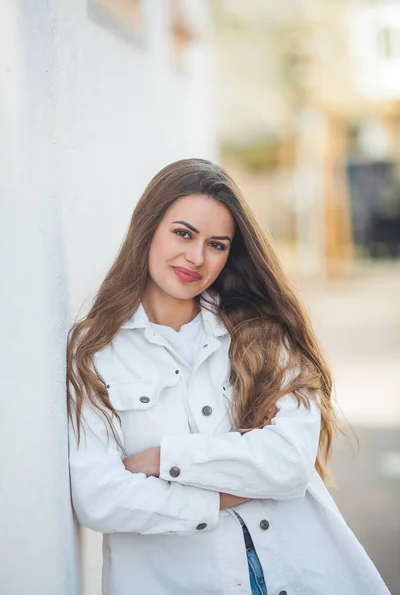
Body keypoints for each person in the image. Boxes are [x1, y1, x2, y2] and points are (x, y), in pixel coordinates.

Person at [67, 158, 391, 595]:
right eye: (183, 233)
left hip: (296, 574)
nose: (196, 257)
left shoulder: (263, 334)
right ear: (147, 228)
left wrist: (163, 459)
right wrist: (224, 493)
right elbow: (101, 498)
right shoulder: (95, 350)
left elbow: (288, 464)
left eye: (217, 244)